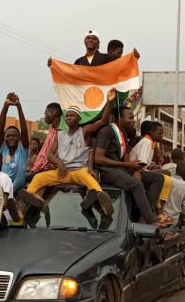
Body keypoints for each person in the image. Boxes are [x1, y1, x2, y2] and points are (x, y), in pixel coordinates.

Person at [12, 90, 118, 221]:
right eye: (67, 116)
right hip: (62, 173)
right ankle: (21, 209)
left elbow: (103, 121)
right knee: (39, 177)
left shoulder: (85, 131)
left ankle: (102, 201)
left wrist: (109, 101)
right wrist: (59, 163)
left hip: (79, 171)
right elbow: (50, 154)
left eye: (72, 116)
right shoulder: (59, 134)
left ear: (79, 119)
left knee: (89, 178)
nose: (69, 118)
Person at [94, 106, 165, 226]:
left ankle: (145, 215)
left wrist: (135, 169)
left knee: (158, 178)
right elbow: (98, 158)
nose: (134, 120)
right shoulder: (107, 131)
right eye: (131, 117)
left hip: (120, 169)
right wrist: (127, 164)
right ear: (120, 119)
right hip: (106, 170)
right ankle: (152, 223)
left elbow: (127, 159)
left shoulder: (123, 134)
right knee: (136, 185)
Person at [130, 121, 172, 212]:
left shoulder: (149, 142)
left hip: (140, 169)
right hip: (135, 170)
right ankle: (154, 208)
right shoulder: (147, 143)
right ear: (152, 133)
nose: (162, 136)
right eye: (160, 133)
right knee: (163, 177)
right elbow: (141, 164)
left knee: (166, 173)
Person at [0, 93, 30, 191]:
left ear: (19, 138)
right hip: (1, 192)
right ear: (4, 138)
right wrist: (5, 106)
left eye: (14, 136)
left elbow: (24, 131)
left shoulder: (23, 151)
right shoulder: (1, 149)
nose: (11, 138)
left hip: (18, 192)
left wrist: (19, 107)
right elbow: (0, 130)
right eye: (8, 136)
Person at [30, 103, 62, 176]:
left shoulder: (63, 133)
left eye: (46, 114)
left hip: (52, 170)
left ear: (52, 114)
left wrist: (56, 166)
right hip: (42, 168)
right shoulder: (51, 130)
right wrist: (35, 168)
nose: (45, 117)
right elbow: (44, 153)